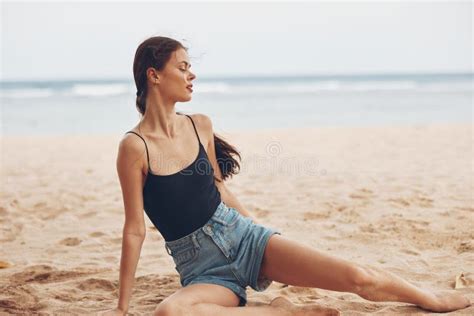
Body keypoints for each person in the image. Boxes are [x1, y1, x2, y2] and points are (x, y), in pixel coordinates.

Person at [98, 36, 470, 316]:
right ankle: (276, 311)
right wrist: (121, 307)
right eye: (182, 67)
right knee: (169, 312)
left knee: (357, 276)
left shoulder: (200, 125)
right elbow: (135, 229)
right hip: (203, 271)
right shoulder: (134, 147)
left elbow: (218, 188)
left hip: (244, 239)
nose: (191, 74)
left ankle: (429, 298)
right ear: (154, 75)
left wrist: (260, 231)